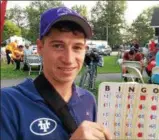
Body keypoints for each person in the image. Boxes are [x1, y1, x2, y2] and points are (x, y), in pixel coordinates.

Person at [1, 6, 111, 140]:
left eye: (77, 47)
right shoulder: (8, 103)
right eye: (58, 46)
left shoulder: (89, 100)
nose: (69, 59)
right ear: (40, 47)